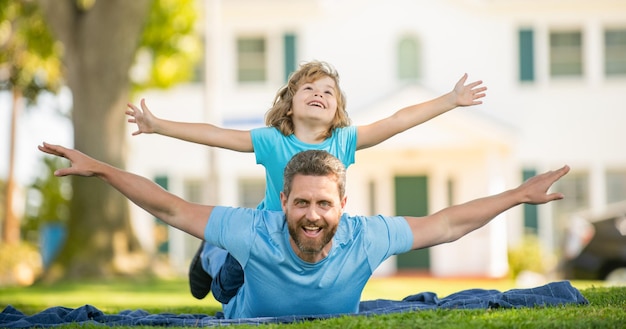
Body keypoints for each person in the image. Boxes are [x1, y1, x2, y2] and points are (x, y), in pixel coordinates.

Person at [37, 143, 570, 319]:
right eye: (300, 204)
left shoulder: (368, 236)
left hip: (254, 257)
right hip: (239, 289)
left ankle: (217, 251)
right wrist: (103, 169)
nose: (312, 215)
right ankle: (213, 254)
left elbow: (447, 224)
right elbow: (173, 209)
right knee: (223, 275)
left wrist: (519, 196)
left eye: (322, 204)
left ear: (344, 204)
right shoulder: (258, 227)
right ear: (283, 203)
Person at [126, 60, 488, 303]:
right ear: (289, 105)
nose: (319, 94)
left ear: (337, 111)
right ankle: (210, 252)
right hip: (264, 234)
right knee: (221, 293)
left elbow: (397, 120)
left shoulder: (344, 140)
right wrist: (159, 126)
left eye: (328, 92)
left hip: (315, 234)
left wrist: (451, 100)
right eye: (309, 89)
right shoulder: (271, 140)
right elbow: (216, 134)